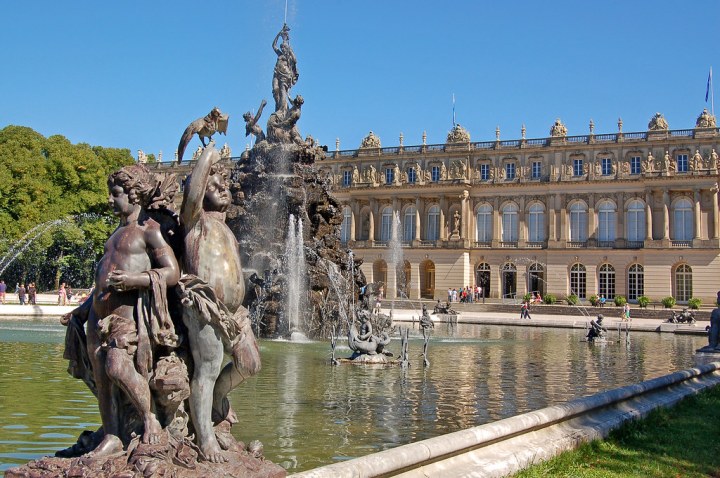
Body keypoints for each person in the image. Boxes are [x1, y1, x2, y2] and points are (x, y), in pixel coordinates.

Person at [64, 164, 182, 457]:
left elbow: (172, 272)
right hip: (97, 318)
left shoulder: (149, 231)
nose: (110, 199)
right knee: (103, 380)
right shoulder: (115, 234)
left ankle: (149, 418)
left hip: (127, 317)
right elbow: (101, 282)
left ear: (134, 195)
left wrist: (135, 280)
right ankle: (112, 435)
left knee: (118, 367)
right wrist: (82, 309)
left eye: (115, 193)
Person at [179, 147, 261, 463]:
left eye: (224, 184)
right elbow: (192, 194)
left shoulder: (225, 227)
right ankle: (205, 440)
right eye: (214, 186)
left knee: (250, 363)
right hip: (205, 306)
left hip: (234, 313)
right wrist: (209, 155)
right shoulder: (194, 221)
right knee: (209, 367)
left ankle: (216, 398)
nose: (223, 189)